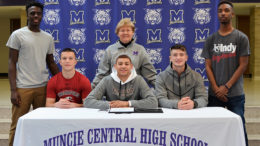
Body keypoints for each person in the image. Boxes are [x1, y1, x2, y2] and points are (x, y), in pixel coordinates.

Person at [6, 1, 59, 146]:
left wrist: (60, 82)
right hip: (23, 88)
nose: (36, 16)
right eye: (32, 13)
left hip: (43, 87)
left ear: (42, 16)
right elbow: (11, 63)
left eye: (38, 13)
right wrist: (13, 90)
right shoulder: (17, 35)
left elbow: (51, 62)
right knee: (17, 125)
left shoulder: (48, 37)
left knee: (41, 124)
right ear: (28, 15)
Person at [201, 1, 250, 145]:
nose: (223, 13)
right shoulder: (211, 39)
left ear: (232, 14)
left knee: (239, 127)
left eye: (227, 10)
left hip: (235, 94)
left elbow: (243, 65)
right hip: (214, 94)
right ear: (217, 14)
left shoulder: (241, 38)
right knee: (212, 129)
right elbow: (208, 66)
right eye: (220, 11)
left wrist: (226, 87)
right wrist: (216, 89)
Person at [92, 18, 157, 89]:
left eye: (128, 30)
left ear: (133, 32)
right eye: (122, 30)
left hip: (135, 93)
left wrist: (162, 89)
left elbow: (150, 75)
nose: (125, 33)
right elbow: (102, 74)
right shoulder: (110, 50)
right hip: (113, 92)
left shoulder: (140, 50)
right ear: (117, 33)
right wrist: (89, 91)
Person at [84, 54, 158, 110]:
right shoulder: (106, 80)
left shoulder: (139, 80)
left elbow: (153, 102)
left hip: (134, 118)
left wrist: (128, 104)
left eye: (126, 64)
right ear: (115, 66)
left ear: (131, 66)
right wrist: (110, 105)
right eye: (120, 64)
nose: (123, 66)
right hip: (111, 119)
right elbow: (88, 101)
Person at [155, 44, 208, 110]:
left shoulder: (197, 76)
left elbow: (203, 98)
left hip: (191, 114)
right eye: (175, 55)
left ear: (186, 57)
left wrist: (194, 104)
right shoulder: (161, 77)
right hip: (169, 116)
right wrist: (177, 104)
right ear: (170, 58)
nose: (178, 58)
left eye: (181, 54)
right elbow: (160, 100)